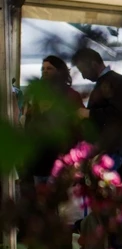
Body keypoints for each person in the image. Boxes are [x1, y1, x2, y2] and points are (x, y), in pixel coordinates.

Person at [23, 55, 84, 184]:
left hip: (61, 158)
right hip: (39, 158)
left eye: (49, 68)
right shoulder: (36, 95)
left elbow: (80, 126)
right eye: (43, 69)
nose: (45, 71)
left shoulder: (71, 96)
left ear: (60, 72)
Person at [71, 48, 122, 170]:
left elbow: (119, 115)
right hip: (105, 149)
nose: (83, 76)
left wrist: (89, 113)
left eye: (83, 70)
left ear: (93, 64)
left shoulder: (116, 81)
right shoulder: (109, 81)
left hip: (111, 150)